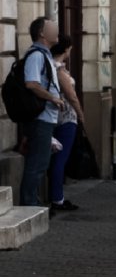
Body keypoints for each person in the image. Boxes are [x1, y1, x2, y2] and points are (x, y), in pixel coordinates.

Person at [19, 17, 64, 207]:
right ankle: (29, 206)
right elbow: (31, 84)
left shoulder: (45, 55)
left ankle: (33, 203)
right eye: (52, 28)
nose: (57, 31)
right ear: (42, 33)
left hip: (46, 117)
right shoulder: (37, 55)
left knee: (40, 164)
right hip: (40, 118)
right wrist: (52, 98)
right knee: (37, 165)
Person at [49, 35, 85, 215]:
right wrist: (81, 115)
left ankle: (56, 195)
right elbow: (71, 96)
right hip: (65, 117)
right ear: (66, 49)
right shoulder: (59, 69)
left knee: (55, 159)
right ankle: (57, 198)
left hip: (53, 117)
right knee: (60, 159)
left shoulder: (48, 65)